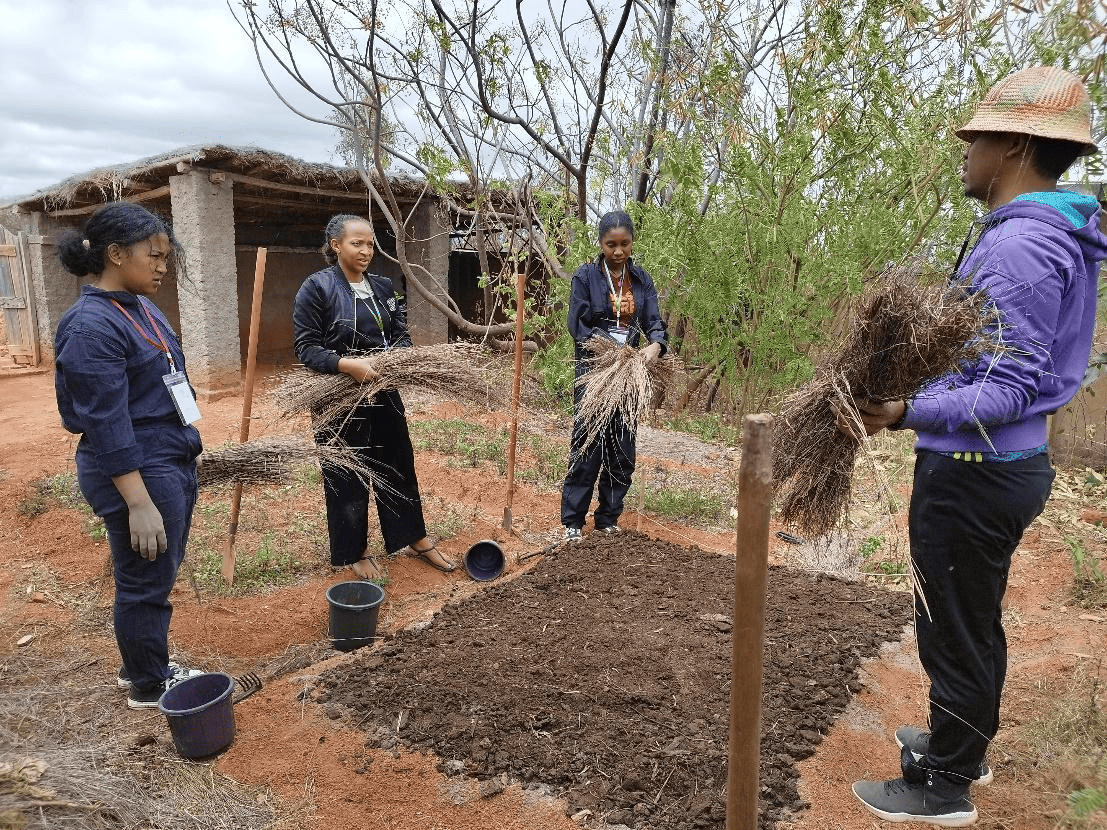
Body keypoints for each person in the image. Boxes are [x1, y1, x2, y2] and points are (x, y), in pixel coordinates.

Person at [848, 66, 1107, 826]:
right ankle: (959, 741)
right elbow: (992, 362)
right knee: (969, 616)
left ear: (1016, 146)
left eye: (978, 137)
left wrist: (900, 410)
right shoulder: (1035, 234)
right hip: (996, 465)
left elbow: (1009, 386)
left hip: (976, 468)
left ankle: (944, 784)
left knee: (954, 625)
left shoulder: (1021, 246)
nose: (965, 150)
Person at [54, 202, 205, 709]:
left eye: (166, 256)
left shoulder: (141, 307)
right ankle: (148, 685)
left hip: (167, 455)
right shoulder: (90, 328)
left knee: (155, 572)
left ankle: (144, 663)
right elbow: (106, 425)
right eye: (154, 256)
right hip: (136, 467)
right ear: (116, 254)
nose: (163, 266)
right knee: (145, 581)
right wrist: (138, 501)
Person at [293, 213, 455, 579]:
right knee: (346, 471)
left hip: (383, 388)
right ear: (336, 245)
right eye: (357, 243)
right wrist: (347, 365)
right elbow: (306, 349)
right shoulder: (316, 288)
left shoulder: (382, 287)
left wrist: (398, 361)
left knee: (397, 462)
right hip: (339, 397)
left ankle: (413, 536)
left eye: (370, 243)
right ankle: (355, 550)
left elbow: (401, 335)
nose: (366, 250)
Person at [561, 210, 668, 542]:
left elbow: (654, 323)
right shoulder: (585, 277)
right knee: (588, 443)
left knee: (622, 446)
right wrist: (607, 350)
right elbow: (577, 325)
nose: (618, 251)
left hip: (629, 374)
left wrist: (656, 346)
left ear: (632, 242)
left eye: (624, 244)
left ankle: (608, 517)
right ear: (600, 244)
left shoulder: (642, 281)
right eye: (611, 244)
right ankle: (573, 521)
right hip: (595, 372)